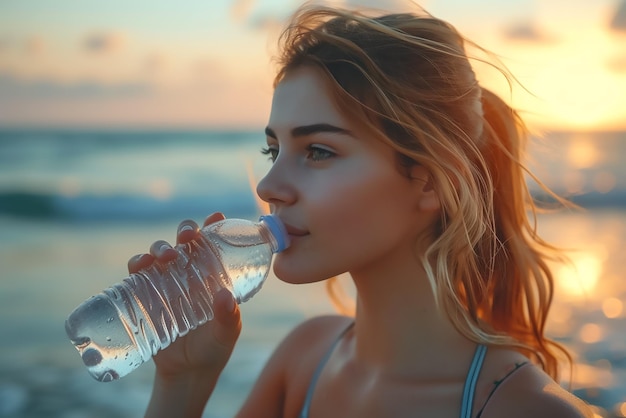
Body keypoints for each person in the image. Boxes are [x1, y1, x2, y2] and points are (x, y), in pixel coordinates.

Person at [130, 4, 594, 418]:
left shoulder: (524, 409)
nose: (269, 187)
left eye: (317, 151)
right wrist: (182, 383)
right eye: (274, 150)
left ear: (430, 179)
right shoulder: (303, 360)